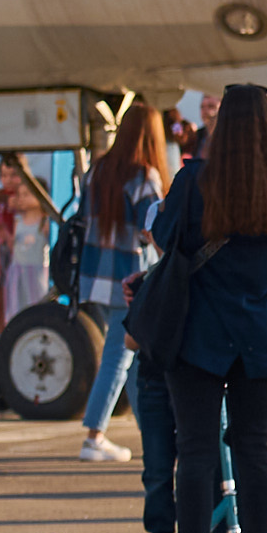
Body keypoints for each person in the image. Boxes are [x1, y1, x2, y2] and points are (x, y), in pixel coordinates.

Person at [148, 86, 267, 533]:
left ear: (222, 126)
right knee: (257, 451)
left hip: (199, 334)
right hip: (262, 333)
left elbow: (165, 237)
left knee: (193, 451)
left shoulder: (193, 181)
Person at [71, 103, 168, 466]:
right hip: (130, 280)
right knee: (120, 357)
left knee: (135, 358)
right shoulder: (144, 177)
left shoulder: (99, 169)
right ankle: (94, 435)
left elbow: (83, 219)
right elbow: (152, 229)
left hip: (96, 278)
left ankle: (152, 436)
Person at [0, 151, 53, 336]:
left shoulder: (33, 212)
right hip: (5, 257)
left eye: (15, 175)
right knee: (0, 296)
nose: (10, 181)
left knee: (29, 300)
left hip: (30, 265)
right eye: (5, 175)